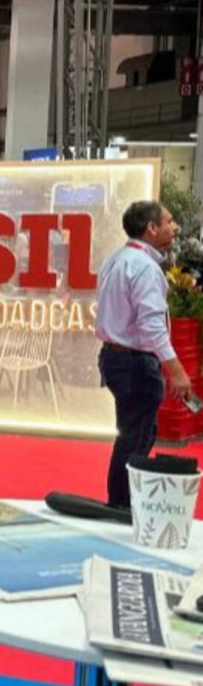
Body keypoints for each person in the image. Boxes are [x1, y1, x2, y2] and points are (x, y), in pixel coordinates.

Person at [95, 200, 189, 509]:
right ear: (151, 228)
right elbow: (151, 326)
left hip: (116, 358)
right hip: (134, 362)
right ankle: (121, 506)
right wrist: (176, 370)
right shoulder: (144, 267)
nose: (174, 228)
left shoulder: (116, 260)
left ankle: (121, 502)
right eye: (168, 221)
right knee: (135, 437)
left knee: (133, 434)